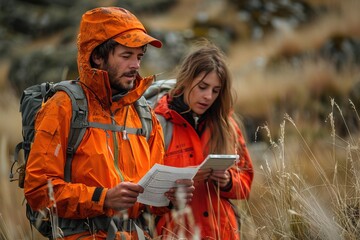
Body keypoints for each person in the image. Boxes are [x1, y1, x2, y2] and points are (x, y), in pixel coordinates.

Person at [24, 7, 194, 240]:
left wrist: (171, 198)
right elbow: (39, 191)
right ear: (97, 56)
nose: (135, 65)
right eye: (126, 56)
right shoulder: (63, 107)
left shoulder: (144, 115)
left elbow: (151, 204)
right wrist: (102, 199)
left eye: (139, 56)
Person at [154, 41, 254, 239]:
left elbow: (245, 184)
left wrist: (227, 182)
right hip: (177, 232)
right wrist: (168, 197)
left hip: (224, 232)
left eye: (216, 91)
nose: (208, 97)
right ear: (185, 80)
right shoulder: (157, 124)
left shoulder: (227, 125)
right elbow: (141, 192)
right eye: (202, 87)